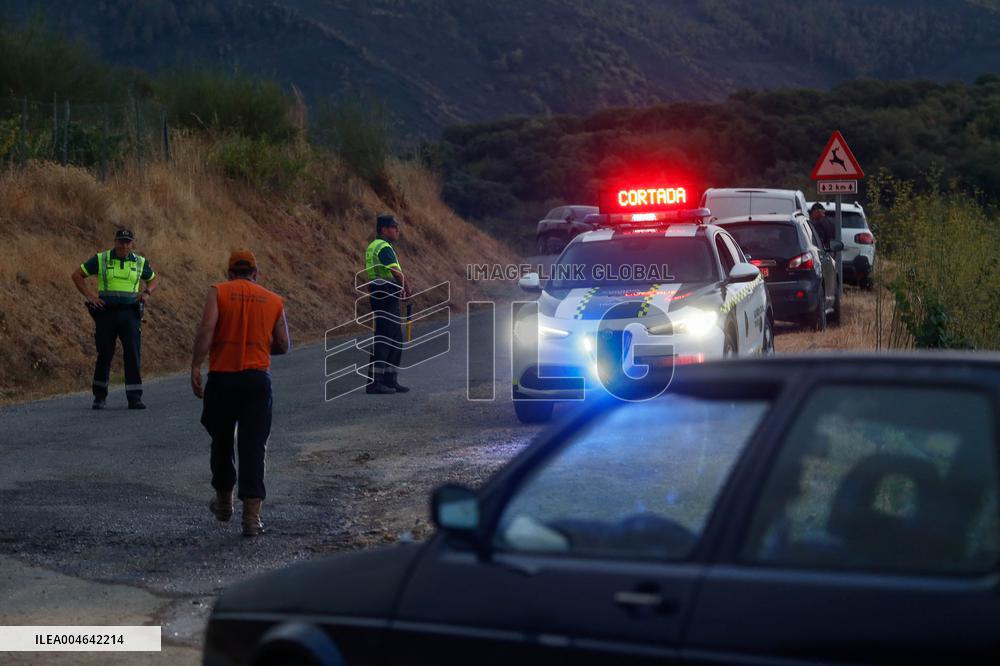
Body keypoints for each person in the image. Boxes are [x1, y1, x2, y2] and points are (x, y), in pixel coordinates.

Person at [190, 250, 290, 537]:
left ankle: (224, 504)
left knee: (221, 440)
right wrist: (256, 343)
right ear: (255, 273)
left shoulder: (218, 292)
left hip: (222, 380)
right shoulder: (273, 300)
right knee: (253, 446)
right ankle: (252, 517)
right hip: (257, 382)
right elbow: (283, 345)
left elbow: (206, 329)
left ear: (230, 273)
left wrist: (196, 365)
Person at [72, 228, 158, 410]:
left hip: (130, 313)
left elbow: (153, 279)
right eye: (121, 241)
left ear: (132, 244)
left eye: (128, 242)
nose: (124, 245)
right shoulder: (101, 258)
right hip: (106, 313)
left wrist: (147, 292)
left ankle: (134, 398)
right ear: (115, 241)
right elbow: (77, 275)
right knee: (104, 353)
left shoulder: (140, 262)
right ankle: (99, 397)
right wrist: (90, 296)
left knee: (132, 354)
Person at [364, 214, 411, 395]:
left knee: (396, 339)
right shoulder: (383, 247)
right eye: (394, 227)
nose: (397, 230)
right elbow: (397, 273)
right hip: (384, 295)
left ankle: (390, 380)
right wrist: (407, 288)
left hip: (384, 294)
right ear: (384, 229)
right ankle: (375, 382)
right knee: (384, 339)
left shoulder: (377, 246)